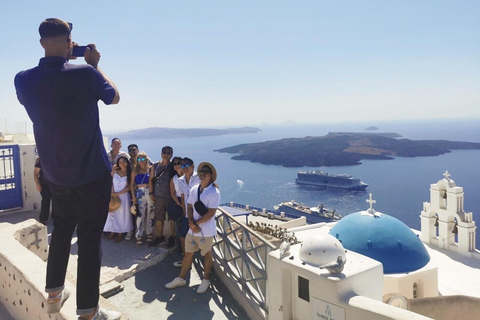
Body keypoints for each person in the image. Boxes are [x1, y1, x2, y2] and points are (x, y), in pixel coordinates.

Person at [14, 18, 121, 319]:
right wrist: (94, 65)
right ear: (69, 42)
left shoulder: (22, 79)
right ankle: (88, 313)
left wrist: (63, 62)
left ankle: (53, 297)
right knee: (89, 242)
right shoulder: (86, 73)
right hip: (91, 176)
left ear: (42, 42)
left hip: (55, 175)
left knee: (60, 232)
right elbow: (114, 97)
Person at [165, 162, 220, 294]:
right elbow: (189, 206)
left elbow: (211, 212)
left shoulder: (214, 192)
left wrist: (195, 224)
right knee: (188, 254)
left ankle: (206, 280)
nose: (203, 174)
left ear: (211, 176)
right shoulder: (195, 188)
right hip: (192, 229)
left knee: (207, 255)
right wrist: (191, 222)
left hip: (205, 232)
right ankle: (181, 278)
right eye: (201, 172)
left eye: (206, 172)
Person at [173, 157, 199, 267]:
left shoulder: (199, 177)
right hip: (188, 214)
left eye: (186, 165)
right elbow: (183, 197)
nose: (184, 168)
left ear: (193, 166)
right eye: (182, 166)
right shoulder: (180, 181)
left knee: (201, 238)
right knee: (182, 236)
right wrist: (184, 212)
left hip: (199, 213)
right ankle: (186, 260)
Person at [148, 146, 174, 247]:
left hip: (171, 196)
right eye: (164, 152)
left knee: (172, 218)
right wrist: (151, 193)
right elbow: (150, 180)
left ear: (171, 155)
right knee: (159, 218)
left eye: (168, 153)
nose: (166, 154)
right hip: (159, 196)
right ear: (161, 153)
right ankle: (160, 237)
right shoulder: (155, 166)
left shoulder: (173, 166)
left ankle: (172, 237)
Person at [104, 156, 133, 243]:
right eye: (120, 162)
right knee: (112, 212)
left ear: (127, 163)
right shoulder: (115, 171)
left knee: (122, 215)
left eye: (124, 162)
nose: (122, 164)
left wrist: (118, 193)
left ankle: (121, 233)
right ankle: (112, 231)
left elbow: (129, 187)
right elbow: (111, 181)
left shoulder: (130, 173)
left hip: (123, 196)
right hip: (113, 195)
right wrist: (112, 192)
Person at [131, 152, 155, 246]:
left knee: (151, 212)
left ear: (146, 159)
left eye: (143, 159)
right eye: (139, 159)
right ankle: (139, 235)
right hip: (139, 192)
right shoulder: (135, 171)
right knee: (140, 214)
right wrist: (133, 197)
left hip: (149, 192)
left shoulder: (150, 169)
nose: (141, 161)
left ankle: (149, 232)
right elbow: (132, 185)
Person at [169, 157, 184, 249]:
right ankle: (174, 239)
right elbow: (172, 193)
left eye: (178, 163)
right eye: (174, 164)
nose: (177, 165)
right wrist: (179, 204)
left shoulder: (188, 176)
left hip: (188, 200)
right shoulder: (173, 179)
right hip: (177, 201)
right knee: (175, 220)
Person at [34, 156, 54, 224]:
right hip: (44, 185)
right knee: (46, 200)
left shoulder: (55, 158)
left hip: (55, 185)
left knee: (56, 201)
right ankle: (43, 218)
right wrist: (37, 184)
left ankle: (55, 217)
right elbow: (35, 174)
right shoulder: (40, 160)